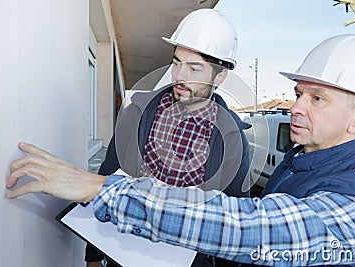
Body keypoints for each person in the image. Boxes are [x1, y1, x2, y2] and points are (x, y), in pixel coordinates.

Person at [7, 34, 355, 266]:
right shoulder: (300, 161)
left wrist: (99, 189)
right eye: (297, 94)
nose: (295, 107)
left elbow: (245, 225)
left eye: (317, 98)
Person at [88, 8, 251, 267]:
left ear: (219, 77)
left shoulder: (233, 140)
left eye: (195, 68)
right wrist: (93, 256)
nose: (180, 76)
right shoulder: (136, 114)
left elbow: (234, 221)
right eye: (177, 63)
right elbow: (104, 182)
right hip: (122, 251)